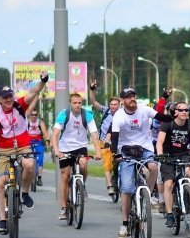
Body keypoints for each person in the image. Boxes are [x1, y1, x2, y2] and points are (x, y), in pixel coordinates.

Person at [0, 75, 48, 234]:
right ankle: (3, 220)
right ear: (0, 99)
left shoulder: (19, 105)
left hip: (23, 146)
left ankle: (25, 193)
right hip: (4, 150)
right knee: (0, 183)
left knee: (30, 164)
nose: (8, 100)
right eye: (5, 97)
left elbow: (33, 92)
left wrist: (43, 82)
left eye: (10, 96)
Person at [110, 87, 167, 238]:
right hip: (126, 151)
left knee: (154, 167)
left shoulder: (144, 109)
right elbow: (115, 138)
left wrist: (174, 117)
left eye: (134, 96)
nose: (132, 99)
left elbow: (160, 117)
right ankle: (124, 222)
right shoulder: (119, 116)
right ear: (123, 101)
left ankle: (146, 194)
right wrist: (116, 154)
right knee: (127, 188)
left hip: (145, 148)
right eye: (128, 97)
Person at [156, 101, 190, 228]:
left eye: (187, 110)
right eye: (182, 110)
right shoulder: (167, 124)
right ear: (176, 112)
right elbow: (159, 142)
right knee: (168, 184)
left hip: (183, 154)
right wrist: (160, 154)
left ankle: (187, 197)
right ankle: (169, 214)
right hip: (167, 156)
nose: (185, 112)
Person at [51, 92, 101, 221]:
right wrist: (56, 150)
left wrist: (98, 151)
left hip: (80, 147)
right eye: (75, 103)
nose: (77, 105)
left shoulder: (87, 115)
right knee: (65, 175)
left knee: (83, 165)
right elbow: (55, 134)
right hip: (65, 147)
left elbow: (94, 135)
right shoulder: (64, 114)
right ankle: (63, 207)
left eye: (79, 103)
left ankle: (81, 185)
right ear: (70, 103)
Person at [90, 81, 121, 198]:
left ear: (119, 106)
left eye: (115, 105)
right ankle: (110, 186)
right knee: (107, 165)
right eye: (111, 104)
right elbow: (93, 102)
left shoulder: (123, 115)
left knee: (119, 164)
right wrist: (92, 89)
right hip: (104, 142)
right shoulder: (106, 111)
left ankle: (117, 179)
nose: (113, 107)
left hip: (118, 144)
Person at [25, 95, 48, 187]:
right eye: (32, 115)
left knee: (40, 160)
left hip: (38, 142)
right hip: (28, 142)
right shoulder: (26, 122)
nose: (34, 116)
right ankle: (27, 176)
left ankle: (39, 178)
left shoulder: (40, 122)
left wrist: (47, 140)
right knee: (27, 159)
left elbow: (45, 132)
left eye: (35, 115)